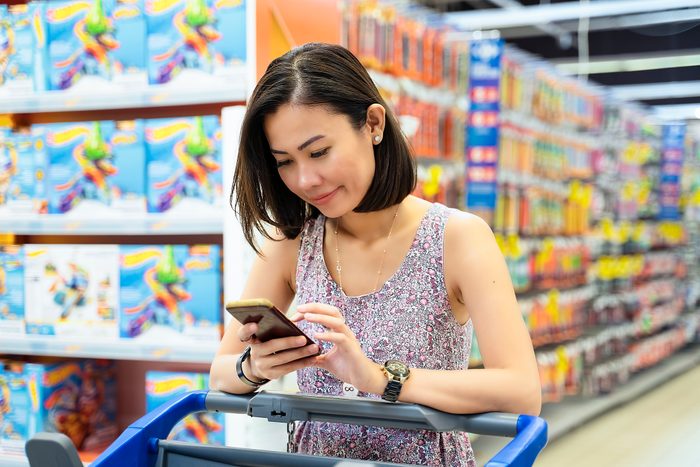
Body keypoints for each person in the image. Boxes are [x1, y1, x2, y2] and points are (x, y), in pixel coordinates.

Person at [210, 42, 541, 466]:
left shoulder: (457, 237)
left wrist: (378, 378)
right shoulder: (291, 242)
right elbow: (220, 372)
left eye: (318, 152)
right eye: (284, 162)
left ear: (373, 124)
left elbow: (521, 391)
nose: (306, 179)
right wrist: (256, 367)